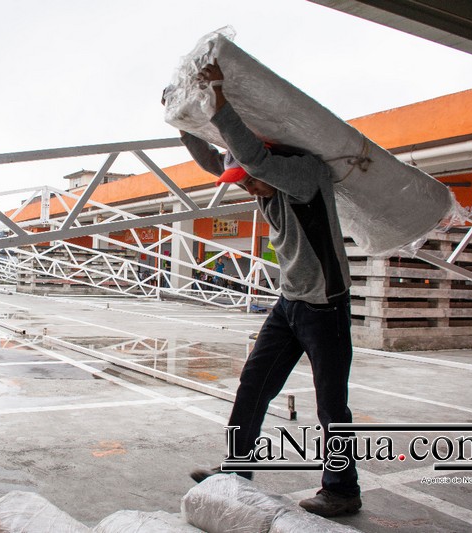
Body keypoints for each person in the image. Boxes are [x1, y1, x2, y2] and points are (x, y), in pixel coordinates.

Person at [173, 61, 361, 518]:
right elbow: (222, 162)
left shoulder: (301, 178)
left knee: (331, 403)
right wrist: (182, 121)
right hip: (290, 304)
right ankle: (237, 470)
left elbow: (254, 161)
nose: (249, 187)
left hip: (324, 306)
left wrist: (217, 97)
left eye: (252, 179)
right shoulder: (263, 182)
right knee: (253, 384)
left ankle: (342, 490)